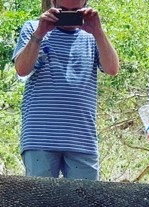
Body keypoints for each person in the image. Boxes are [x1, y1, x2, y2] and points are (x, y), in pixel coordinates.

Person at [12, 0, 119, 180]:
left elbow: (112, 69)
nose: (68, 17)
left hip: (82, 139)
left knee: (85, 205)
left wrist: (98, 31)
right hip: (40, 137)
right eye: (63, 11)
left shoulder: (92, 36)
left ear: (85, 4)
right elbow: (22, 69)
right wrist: (40, 33)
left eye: (75, 12)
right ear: (53, 3)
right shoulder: (33, 28)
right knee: (41, 203)